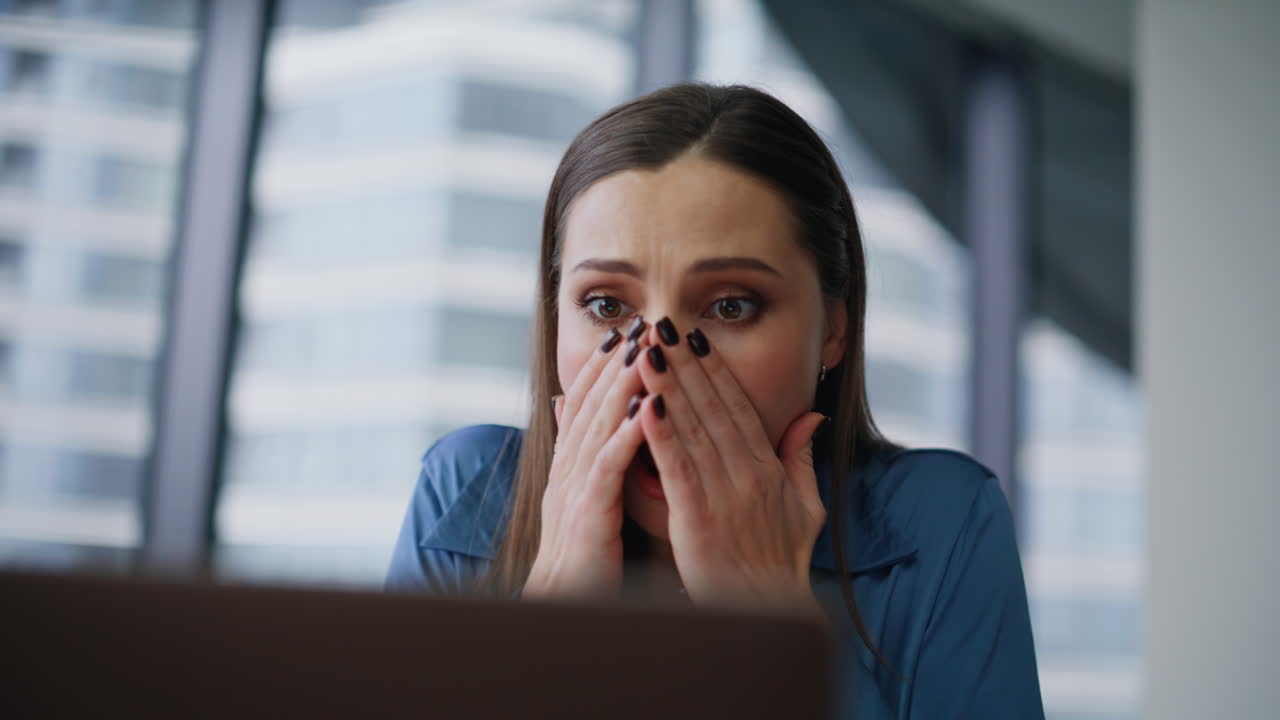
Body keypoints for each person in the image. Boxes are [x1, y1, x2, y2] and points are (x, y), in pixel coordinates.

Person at [386, 83, 1044, 718]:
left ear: (834, 331)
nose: (655, 370)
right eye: (607, 305)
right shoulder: (466, 494)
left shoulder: (940, 524)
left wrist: (772, 632)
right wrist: (550, 627)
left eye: (731, 306)